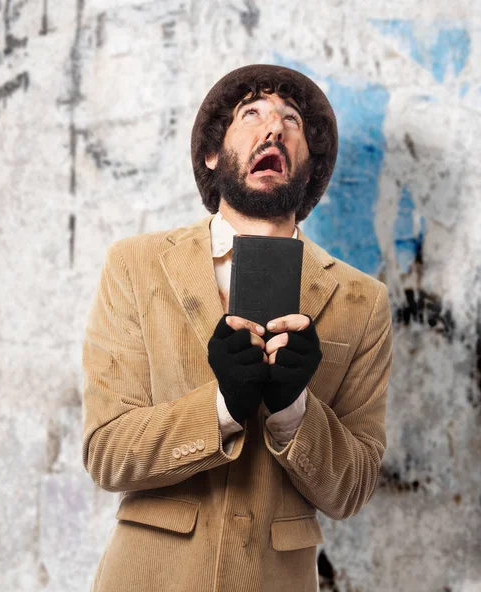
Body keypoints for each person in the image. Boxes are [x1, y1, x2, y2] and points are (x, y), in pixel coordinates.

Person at [81, 64, 393, 592]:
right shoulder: (135, 266)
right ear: (211, 153)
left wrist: (296, 409)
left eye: (290, 120)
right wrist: (223, 405)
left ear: (311, 167)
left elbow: (352, 489)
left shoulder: (363, 300)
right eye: (252, 113)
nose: (273, 128)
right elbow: (107, 453)